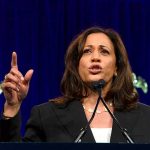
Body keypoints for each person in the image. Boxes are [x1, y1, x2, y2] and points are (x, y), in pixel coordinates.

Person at [0, 26, 150, 143]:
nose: (95, 57)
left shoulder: (145, 117)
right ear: (77, 65)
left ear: (117, 67)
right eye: (87, 51)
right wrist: (12, 107)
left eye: (104, 52)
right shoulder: (47, 116)